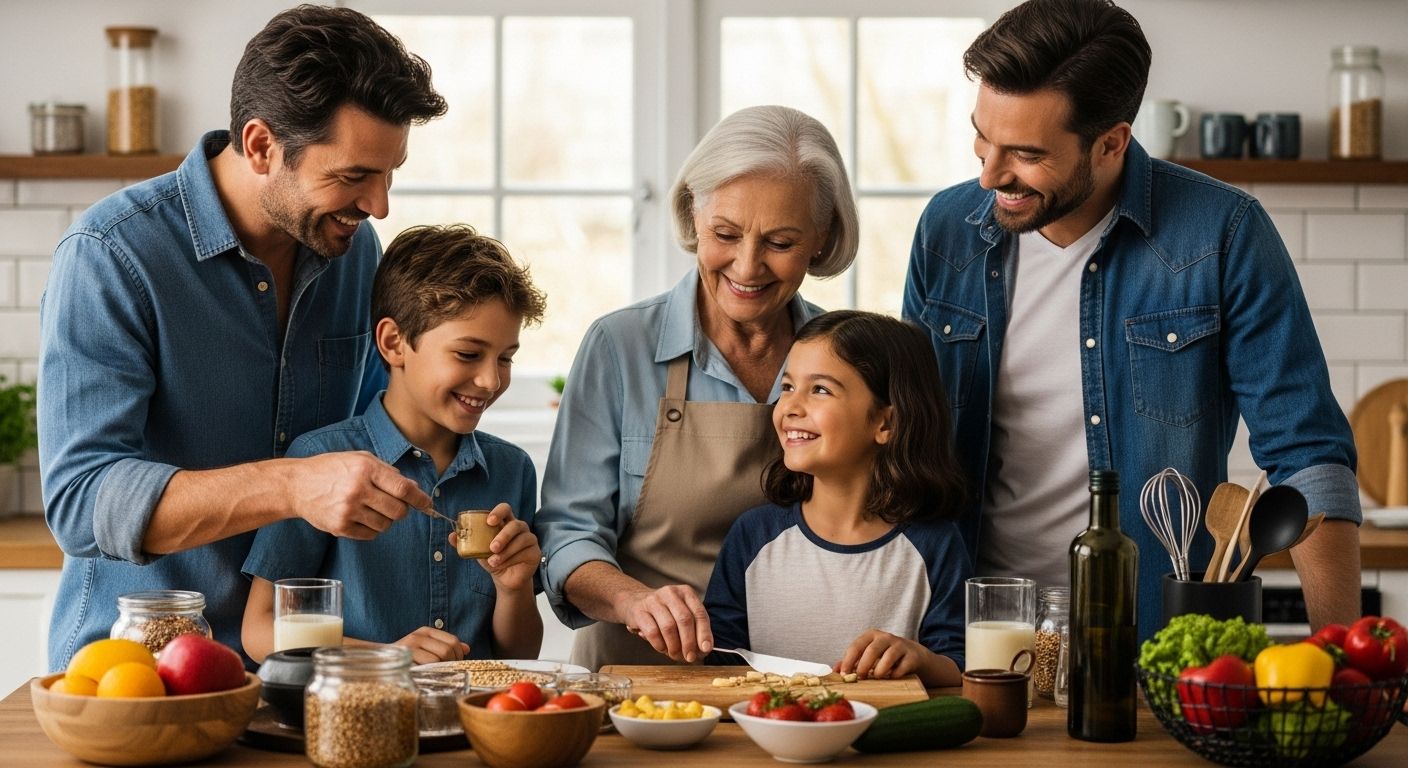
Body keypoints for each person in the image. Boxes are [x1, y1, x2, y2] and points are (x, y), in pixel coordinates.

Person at [903, 0, 1361, 642]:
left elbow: (1306, 456)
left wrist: (1343, 653)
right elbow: (908, 442)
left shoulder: (1221, 233)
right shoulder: (947, 231)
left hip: (1150, 640)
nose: (988, 173)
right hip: (971, 641)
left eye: (1026, 154)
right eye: (982, 136)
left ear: (1112, 142)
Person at [38, 5, 447, 669]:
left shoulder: (354, 251)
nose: (378, 205)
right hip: (139, 670)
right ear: (260, 146)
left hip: (303, 667)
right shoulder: (113, 254)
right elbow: (83, 501)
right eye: (352, 177)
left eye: (388, 173)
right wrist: (291, 487)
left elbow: (376, 427)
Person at [535, 105, 860, 669]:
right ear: (693, 213)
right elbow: (567, 534)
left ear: (822, 236)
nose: (748, 266)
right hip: (637, 675)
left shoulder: (847, 357)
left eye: (780, 242)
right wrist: (633, 599)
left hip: (800, 680)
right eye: (726, 234)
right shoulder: (620, 347)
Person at [241, 224, 546, 664]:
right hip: (360, 716)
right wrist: (386, 658)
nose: (491, 380)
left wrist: (514, 587)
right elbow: (260, 628)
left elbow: (517, 656)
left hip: (474, 723)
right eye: (467, 354)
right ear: (393, 343)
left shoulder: (512, 469)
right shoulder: (319, 462)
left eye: (506, 358)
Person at [704, 311, 969, 687]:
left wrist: (921, 659)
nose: (791, 408)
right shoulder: (753, 535)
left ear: (886, 424)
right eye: (787, 387)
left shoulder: (935, 545)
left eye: (820, 390)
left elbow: (958, 666)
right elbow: (718, 662)